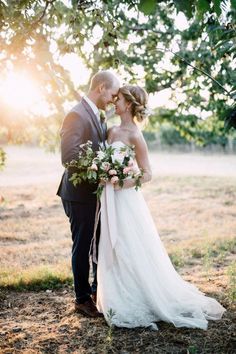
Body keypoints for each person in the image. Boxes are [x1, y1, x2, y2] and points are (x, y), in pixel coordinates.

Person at [96, 85, 226, 329]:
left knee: (127, 244)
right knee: (110, 244)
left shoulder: (135, 135)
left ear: (129, 104)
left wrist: (120, 181)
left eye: (119, 99)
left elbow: (147, 174)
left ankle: (137, 296)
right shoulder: (110, 129)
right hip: (108, 197)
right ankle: (114, 294)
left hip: (125, 198)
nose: (115, 102)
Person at [57, 70, 120, 317]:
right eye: (113, 94)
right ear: (102, 87)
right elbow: (68, 156)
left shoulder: (98, 115)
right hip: (78, 194)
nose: (114, 99)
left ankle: (96, 289)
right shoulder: (75, 114)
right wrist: (101, 164)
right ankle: (82, 299)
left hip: (94, 194)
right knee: (82, 246)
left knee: (97, 244)